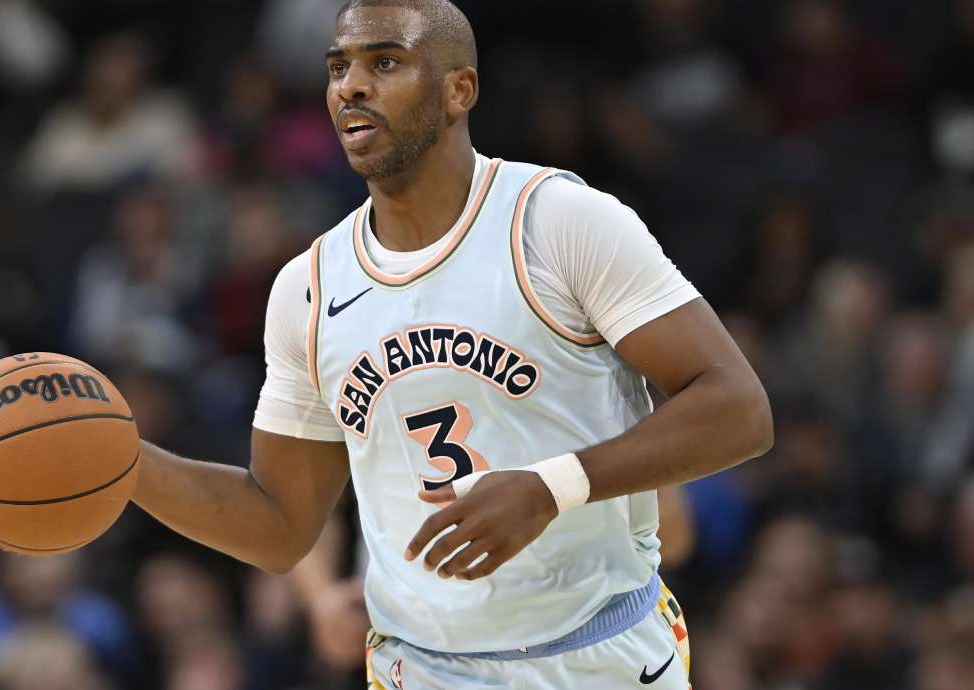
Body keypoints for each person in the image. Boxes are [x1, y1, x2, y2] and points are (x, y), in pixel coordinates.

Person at [129, 1, 772, 687]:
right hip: (420, 669)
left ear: (459, 89)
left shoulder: (557, 222)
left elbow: (739, 408)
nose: (351, 86)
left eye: (384, 63)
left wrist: (550, 488)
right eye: (338, 68)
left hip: (597, 656)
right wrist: (123, 462)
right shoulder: (308, 288)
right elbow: (279, 524)